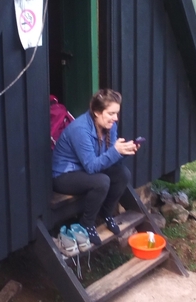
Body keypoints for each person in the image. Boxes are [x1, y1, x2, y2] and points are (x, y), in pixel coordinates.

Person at [52, 89, 139, 246]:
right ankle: (87, 224)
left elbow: (107, 159)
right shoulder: (80, 129)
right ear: (98, 112)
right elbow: (92, 167)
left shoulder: (110, 126)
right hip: (65, 175)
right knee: (101, 181)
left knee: (123, 174)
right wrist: (115, 151)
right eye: (111, 113)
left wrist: (123, 152)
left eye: (117, 113)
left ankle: (106, 213)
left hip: (86, 169)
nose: (116, 118)